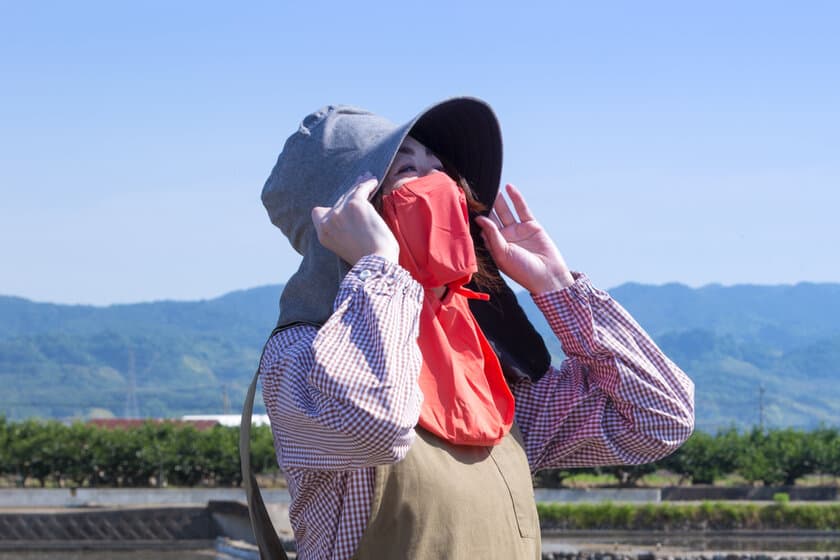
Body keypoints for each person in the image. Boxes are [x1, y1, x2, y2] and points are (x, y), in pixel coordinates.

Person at [255, 98, 695, 560]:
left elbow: (659, 418)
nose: (441, 186)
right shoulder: (301, 356)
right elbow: (373, 425)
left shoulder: (485, 374)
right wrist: (377, 267)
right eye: (407, 172)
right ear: (342, 216)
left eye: (440, 170)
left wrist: (556, 287)